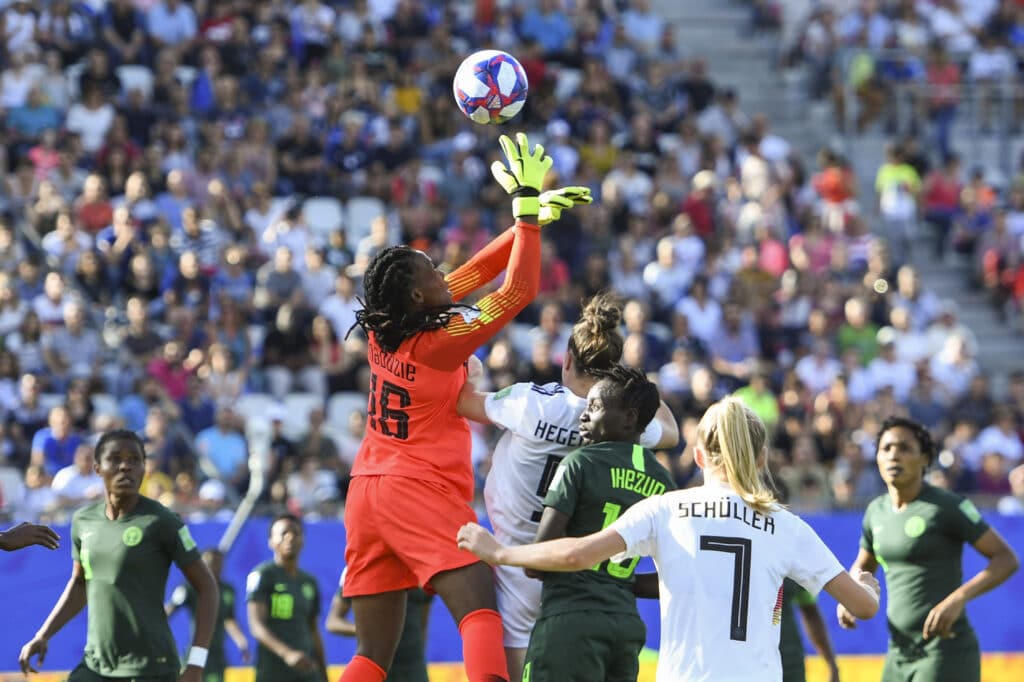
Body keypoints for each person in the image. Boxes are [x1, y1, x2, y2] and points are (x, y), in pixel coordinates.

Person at [339, 132, 589, 682]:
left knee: (371, 653)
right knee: (480, 611)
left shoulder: (390, 327)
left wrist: (529, 221)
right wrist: (523, 214)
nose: (440, 270)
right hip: (418, 489)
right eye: (431, 269)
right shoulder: (439, 340)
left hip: (366, 490)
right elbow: (516, 292)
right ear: (417, 296)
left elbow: (473, 274)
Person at [458, 397, 883, 681]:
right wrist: (864, 585)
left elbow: (577, 554)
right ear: (761, 457)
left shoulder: (667, 509)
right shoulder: (788, 527)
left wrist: (501, 552)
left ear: (698, 456)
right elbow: (862, 607)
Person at [456, 293, 680, 681]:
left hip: (519, 560)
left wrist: (472, 377)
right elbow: (672, 433)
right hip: (583, 572)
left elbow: (464, 405)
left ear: (567, 360)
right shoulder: (620, 422)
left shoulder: (532, 403)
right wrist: (629, 379)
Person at [18, 429, 218, 682]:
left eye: (135, 460)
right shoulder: (83, 521)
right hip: (96, 664)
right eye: (115, 459)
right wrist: (43, 635)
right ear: (98, 468)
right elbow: (81, 584)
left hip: (150, 667)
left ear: (144, 469)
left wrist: (196, 665)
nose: (126, 466)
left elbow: (208, 587)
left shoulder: (162, 521)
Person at [522, 365, 677, 681]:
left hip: (569, 623)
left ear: (630, 418)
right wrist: (620, 583)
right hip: (625, 627)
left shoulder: (580, 463)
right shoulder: (664, 482)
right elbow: (676, 576)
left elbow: (536, 562)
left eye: (593, 407)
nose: (584, 415)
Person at [836, 416, 1019, 682]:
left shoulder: (947, 506)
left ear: (925, 459)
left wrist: (958, 599)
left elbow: (1006, 558)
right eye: (886, 448)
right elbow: (863, 565)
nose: (893, 455)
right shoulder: (876, 511)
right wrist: (850, 594)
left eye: (904, 448)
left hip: (944, 650)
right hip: (898, 652)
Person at [246, 513, 327, 682]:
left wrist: (324, 674)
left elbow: (313, 630)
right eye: (283, 533)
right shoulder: (262, 575)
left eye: (295, 533)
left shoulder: (309, 582)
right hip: (273, 671)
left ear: (303, 540)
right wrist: (287, 653)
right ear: (270, 541)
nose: (290, 537)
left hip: (307, 671)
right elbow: (256, 626)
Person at [326, 568, 431, 682]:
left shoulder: (419, 565)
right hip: (376, 663)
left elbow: (422, 624)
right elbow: (333, 621)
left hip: (414, 667)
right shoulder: (363, 564)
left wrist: (420, 659)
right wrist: (368, 630)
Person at [167, 548, 251, 682]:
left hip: (216, 654)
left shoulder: (227, 590)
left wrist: (241, 641)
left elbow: (229, 619)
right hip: (195, 651)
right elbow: (170, 610)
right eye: (211, 562)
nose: (216, 566)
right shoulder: (190, 588)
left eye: (219, 562)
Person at [779, 579, 839, 682]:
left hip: (789, 662)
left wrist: (832, 665)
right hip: (751, 660)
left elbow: (810, 612)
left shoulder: (795, 564)